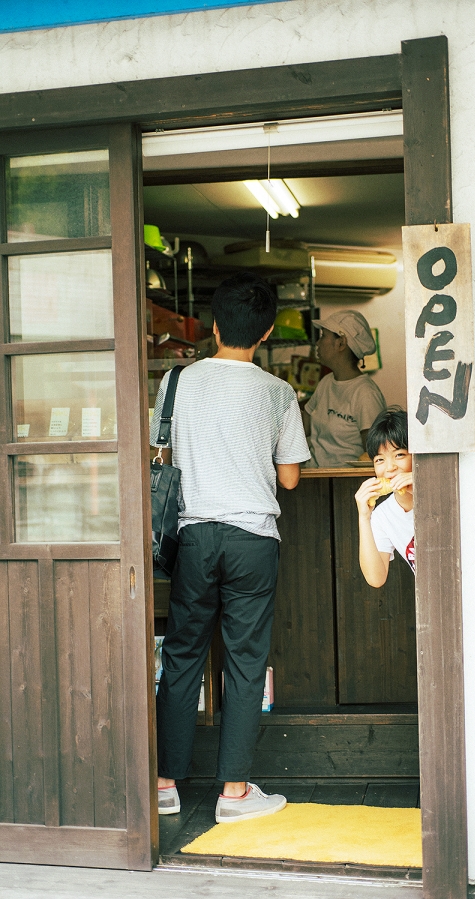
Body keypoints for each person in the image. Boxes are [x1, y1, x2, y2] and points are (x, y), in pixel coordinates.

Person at [150, 271, 311, 822]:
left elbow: (161, 456)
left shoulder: (177, 383)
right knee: (245, 663)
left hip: (195, 535)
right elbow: (289, 479)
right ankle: (234, 794)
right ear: (265, 334)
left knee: (182, 656)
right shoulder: (278, 392)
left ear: (213, 326)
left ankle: (165, 784)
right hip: (253, 540)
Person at [304, 310, 386, 467]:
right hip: (317, 479)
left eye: (323, 336)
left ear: (341, 343)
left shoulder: (365, 394)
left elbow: (374, 455)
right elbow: (304, 426)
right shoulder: (326, 382)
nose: (318, 343)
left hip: (344, 483)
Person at [354, 407, 414, 587]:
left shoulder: (444, 489)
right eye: (380, 460)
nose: (390, 468)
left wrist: (425, 485)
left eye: (399, 455)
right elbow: (376, 579)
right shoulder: (383, 515)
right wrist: (364, 517)